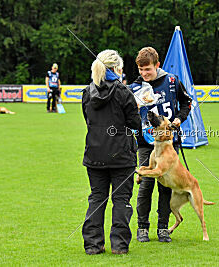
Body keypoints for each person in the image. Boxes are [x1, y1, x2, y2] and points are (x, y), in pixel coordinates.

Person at [129, 47, 192, 243]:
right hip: (146, 142)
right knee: (146, 184)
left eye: (147, 69)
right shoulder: (135, 87)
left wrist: (179, 119)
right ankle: (142, 228)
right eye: (140, 69)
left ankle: (163, 228)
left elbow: (187, 102)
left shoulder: (172, 81)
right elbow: (127, 114)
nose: (144, 74)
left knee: (165, 186)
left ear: (157, 65)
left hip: (168, 142)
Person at [81, 50, 141, 255]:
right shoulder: (124, 92)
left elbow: (88, 120)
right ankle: (119, 246)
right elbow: (135, 124)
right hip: (122, 156)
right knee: (121, 200)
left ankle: (93, 245)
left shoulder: (87, 92)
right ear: (117, 69)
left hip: (95, 153)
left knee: (97, 198)